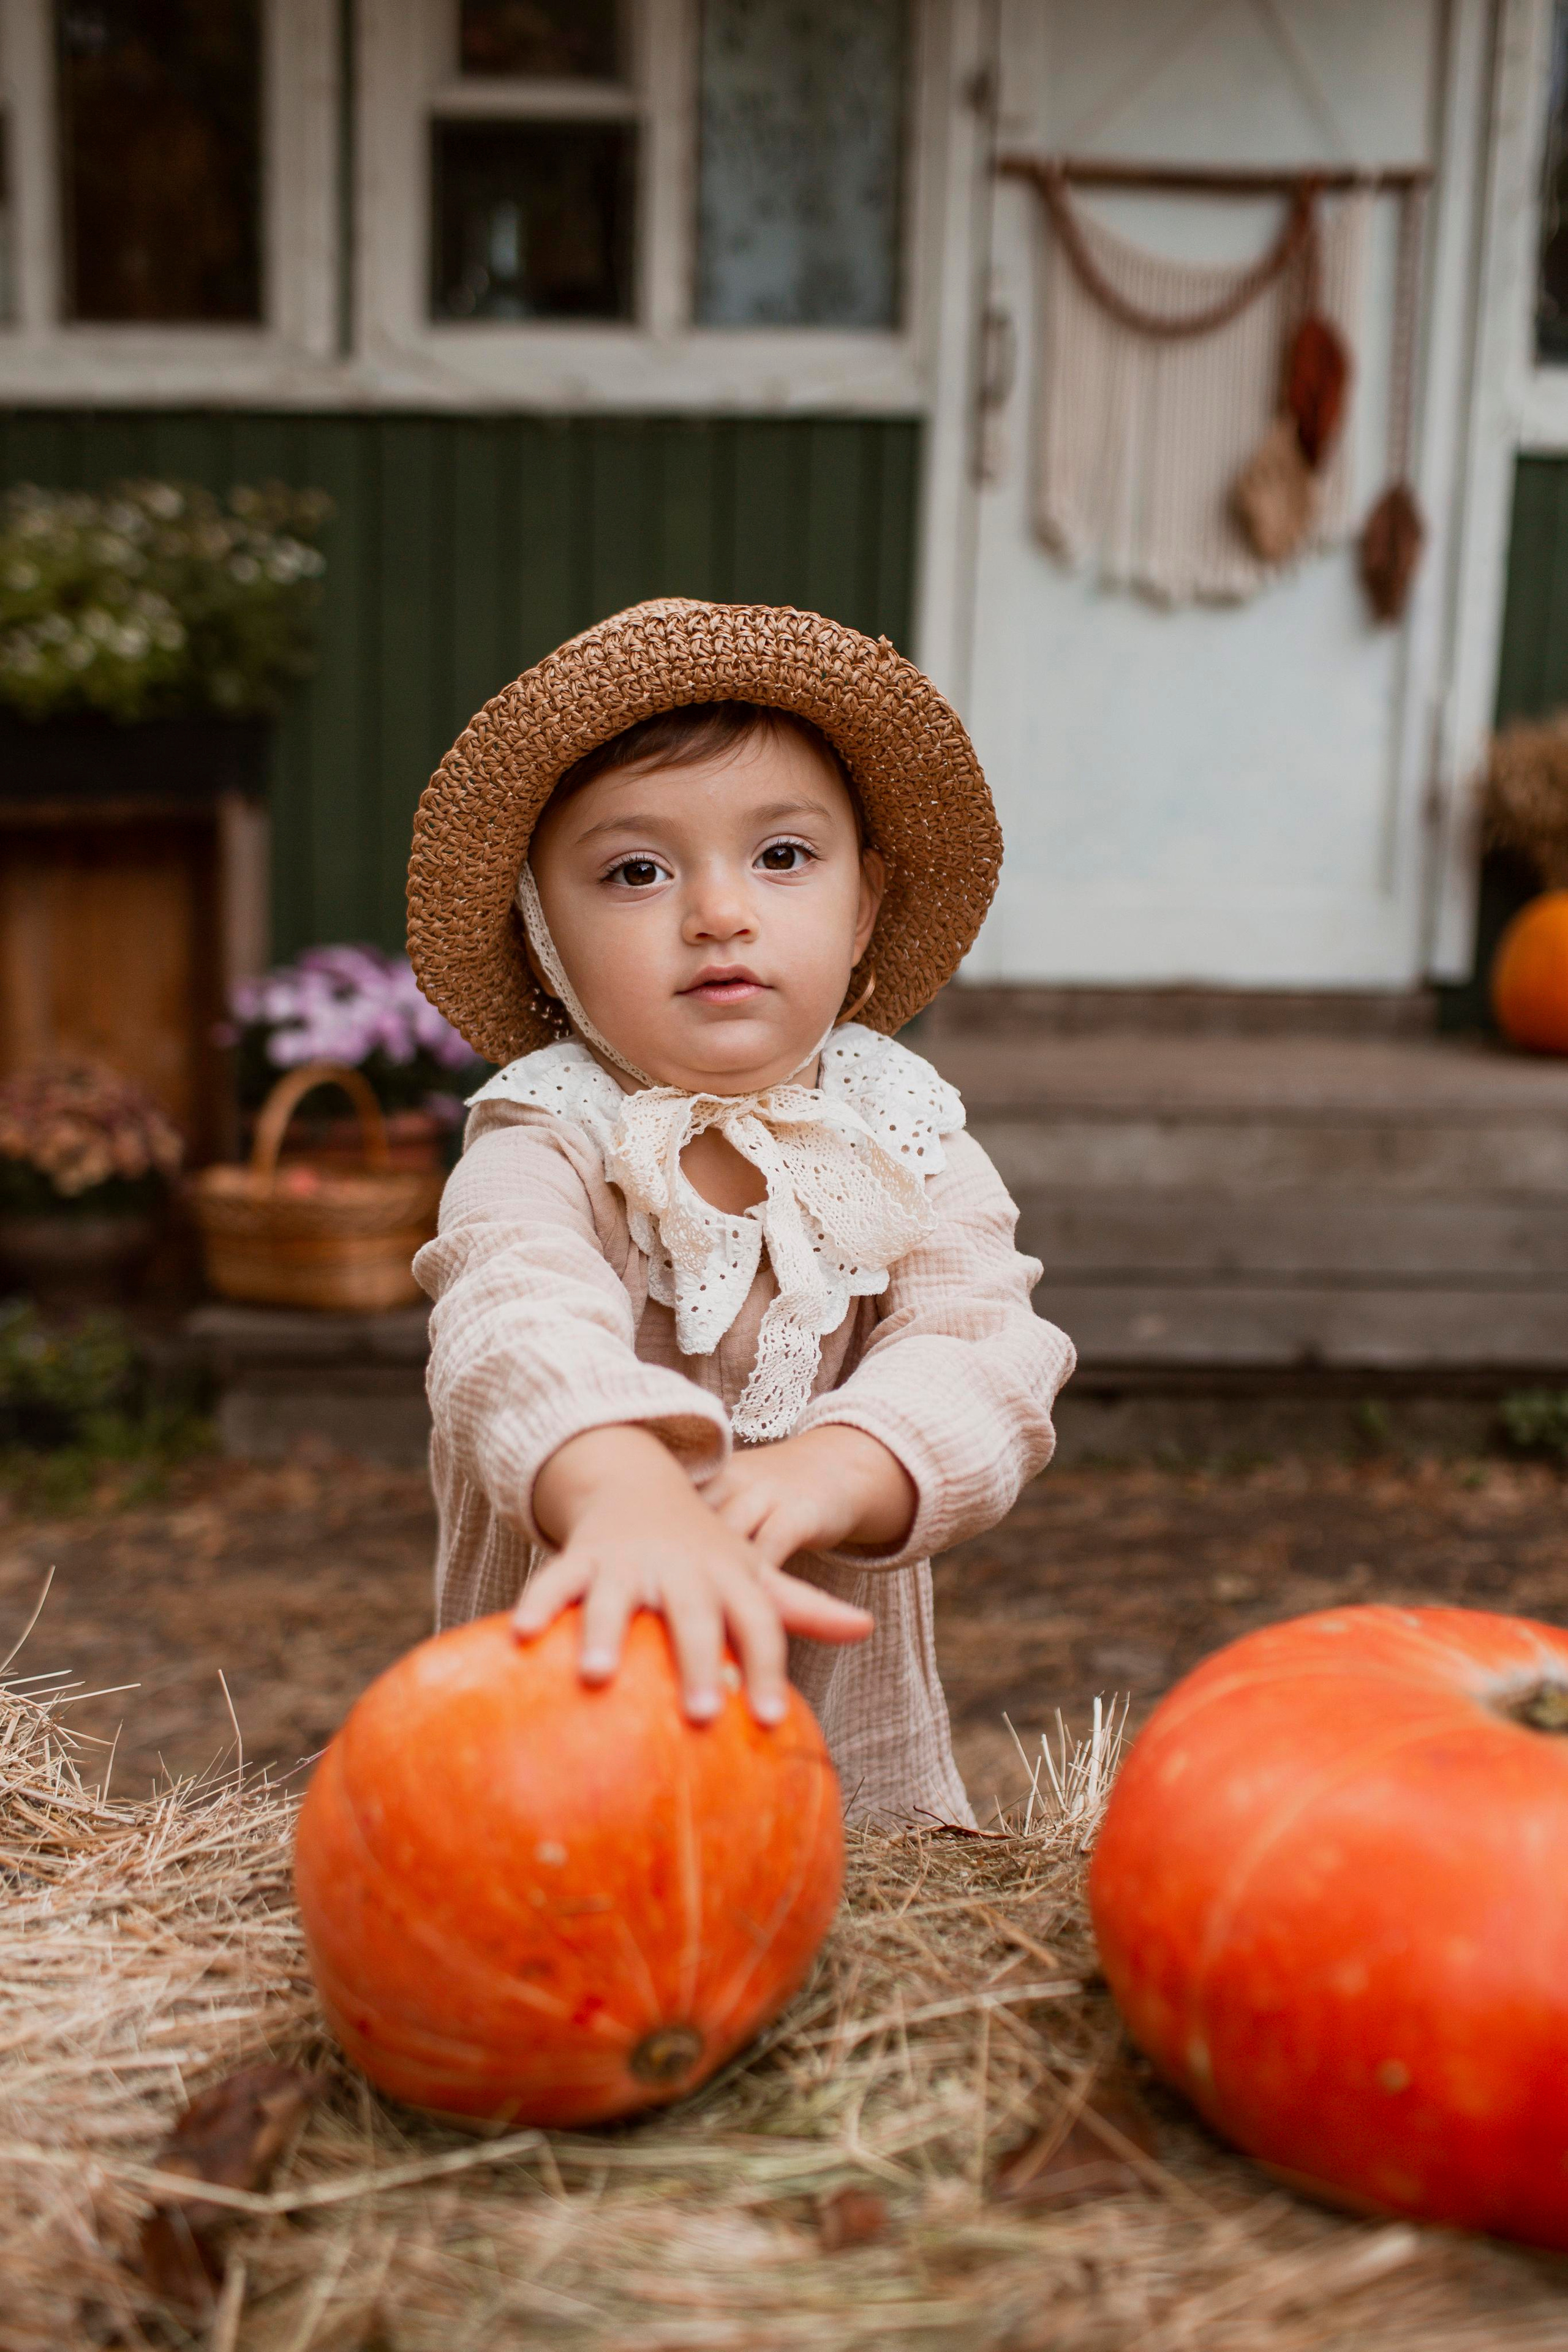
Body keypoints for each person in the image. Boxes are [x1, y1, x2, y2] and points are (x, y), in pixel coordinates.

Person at [407, 598, 1074, 1826]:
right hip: (558, 1760)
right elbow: (510, 1314)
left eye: (780, 857)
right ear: (542, 939)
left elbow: (984, 1347)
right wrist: (616, 1485)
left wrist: (841, 1466)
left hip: (842, 1770)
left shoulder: (903, 1135)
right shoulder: (544, 1137)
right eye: (636, 872)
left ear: (863, 904)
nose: (718, 911)